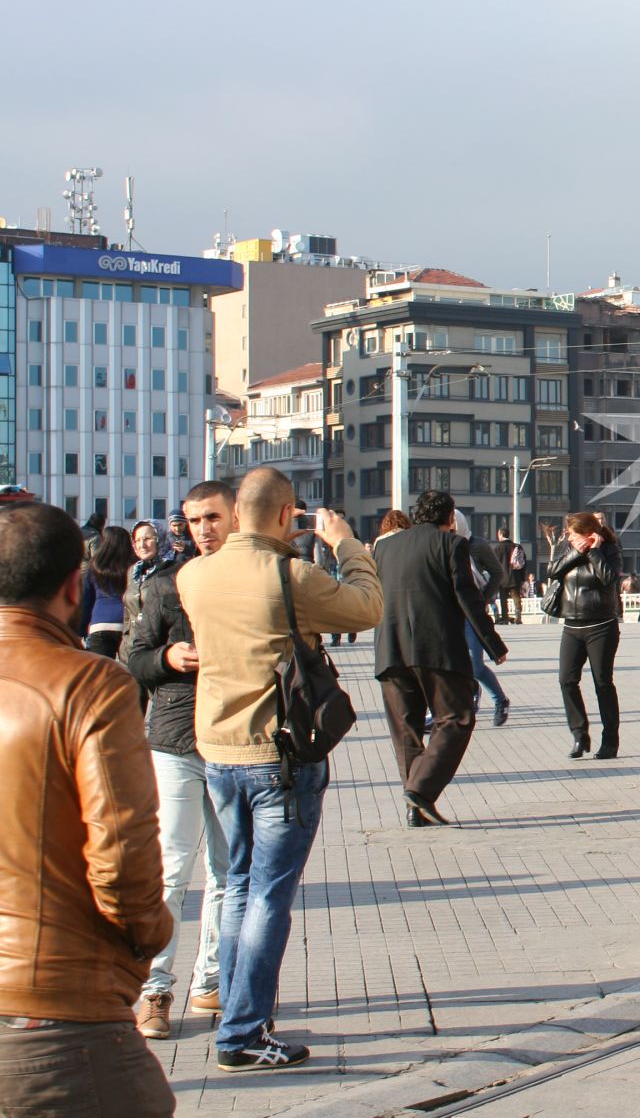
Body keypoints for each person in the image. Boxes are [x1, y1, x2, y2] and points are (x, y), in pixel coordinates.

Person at [176, 466, 383, 1071]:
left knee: (237, 884)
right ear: (288, 513)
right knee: (269, 895)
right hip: (279, 754)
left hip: (217, 749)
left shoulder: (193, 575)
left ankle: (243, 1011)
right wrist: (345, 544)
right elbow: (366, 607)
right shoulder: (289, 574)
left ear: (235, 514)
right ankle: (241, 1033)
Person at [0, 502, 175, 1115]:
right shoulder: (87, 685)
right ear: (74, 585)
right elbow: (123, 857)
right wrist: (149, 937)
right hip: (54, 1004)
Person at [123, 479, 236, 1039]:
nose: (204, 531)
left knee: (225, 870)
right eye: (195, 522)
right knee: (170, 871)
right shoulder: (167, 586)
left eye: (213, 519)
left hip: (235, 742)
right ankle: (154, 989)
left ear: (235, 517)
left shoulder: (251, 580)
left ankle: (209, 980)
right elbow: (134, 659)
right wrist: (168, 655)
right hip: (174, 739)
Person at [372, 492, 508, 827]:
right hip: (438, 650)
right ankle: (420, 791)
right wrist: (493, 644)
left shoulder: (384, 547)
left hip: (390, 650)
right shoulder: (451, 545)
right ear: (449, 519)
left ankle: (416, 806)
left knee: (406, 730)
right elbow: (469, 599)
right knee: (456, 718)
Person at [550, 512, 624, 758]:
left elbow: (609, 578)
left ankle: (610, 741)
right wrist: (576, 552)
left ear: (586, 532)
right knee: (566, 680)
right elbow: (553, 570)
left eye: (572, 533)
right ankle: (579, 735)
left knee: (603, 684)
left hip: (602, 626)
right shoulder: (569, 547)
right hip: (572, 624)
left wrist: (593, 551)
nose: (569, 537)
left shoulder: (610, 548)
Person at [460, 512, 511, 726]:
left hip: (471, 611)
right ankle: (465, 701)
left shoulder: (476, 545)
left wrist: (482, 599)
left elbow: (497, 573)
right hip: (447, 611)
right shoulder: (439, 544)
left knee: (474, 665)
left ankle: (500, 701)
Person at [78, 524, 135, 660]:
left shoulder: (95, 566)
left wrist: (80, 629)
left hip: (100, 623)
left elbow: (86, 601)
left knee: (101, 675)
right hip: (126, 624)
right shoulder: (133, 565)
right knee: (129, 674)